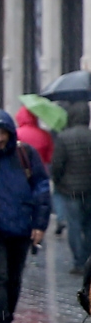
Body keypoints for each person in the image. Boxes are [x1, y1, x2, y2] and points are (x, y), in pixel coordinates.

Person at [0, 109, 50, 323]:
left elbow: (41, 188)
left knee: (14, 278)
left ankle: (7, 317)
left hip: (21, 226)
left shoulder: (25, 154)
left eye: (2, 133)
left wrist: (39, 223)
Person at [51, 101, 91, 274]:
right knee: (89, 226)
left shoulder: (63, 137)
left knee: (74, 226)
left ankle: (79, 261)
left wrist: (58, 181)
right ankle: (87, 258)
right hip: (89, 189)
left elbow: (57, 164)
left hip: (70, 190)